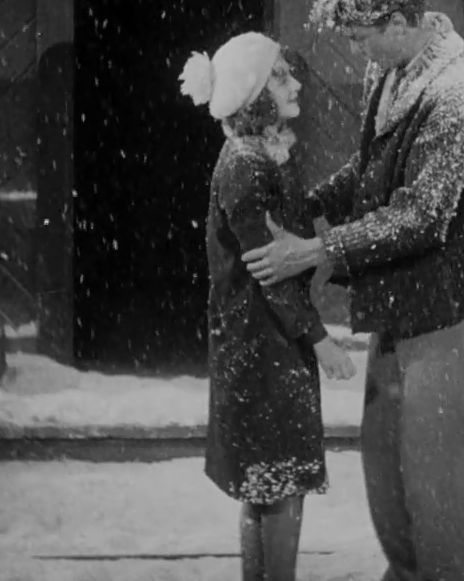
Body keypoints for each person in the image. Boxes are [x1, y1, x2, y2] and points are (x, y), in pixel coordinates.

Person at [241, 0, 464, 581]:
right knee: (385, 457)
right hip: (399, 290)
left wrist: (316, 252)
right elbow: (368, 171)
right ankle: (411, 573)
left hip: (448, 297)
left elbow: (421, 215)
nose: (354, 47)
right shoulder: (386, 69)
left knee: (435, 466)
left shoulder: (457, 96)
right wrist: (306, 211)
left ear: (396, 19)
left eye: (360, 35)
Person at [179, 32, 357, 581]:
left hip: (266, 344)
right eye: (280, 77)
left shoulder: (265, 156)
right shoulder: (245, 168)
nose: (295, 82)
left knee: (266, 485)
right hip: (264, 351)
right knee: (279, 487)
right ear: (254, 96)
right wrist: (320, 340)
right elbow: (269, 271)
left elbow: (296, 224)